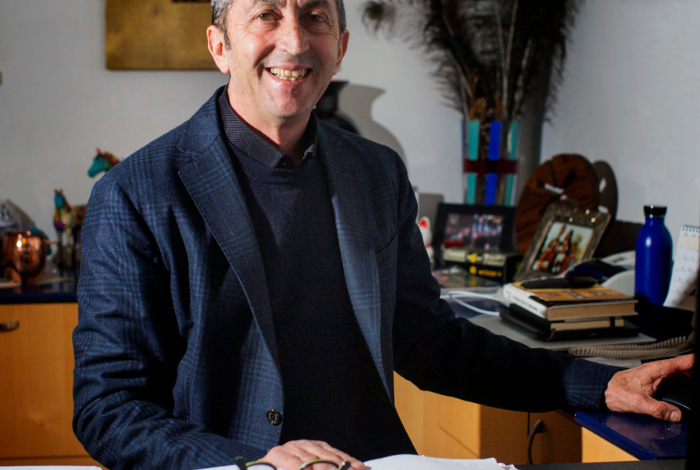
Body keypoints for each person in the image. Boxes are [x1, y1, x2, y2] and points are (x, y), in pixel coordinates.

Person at [72, 1, 695, 469]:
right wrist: (255, 463)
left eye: (315, 16)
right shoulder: (134, 194)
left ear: (340, 46)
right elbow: (109, 408)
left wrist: (598, 383)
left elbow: (432, 343)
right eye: (266, 14)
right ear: (219, 45)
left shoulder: (376, 172)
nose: (295, 40)